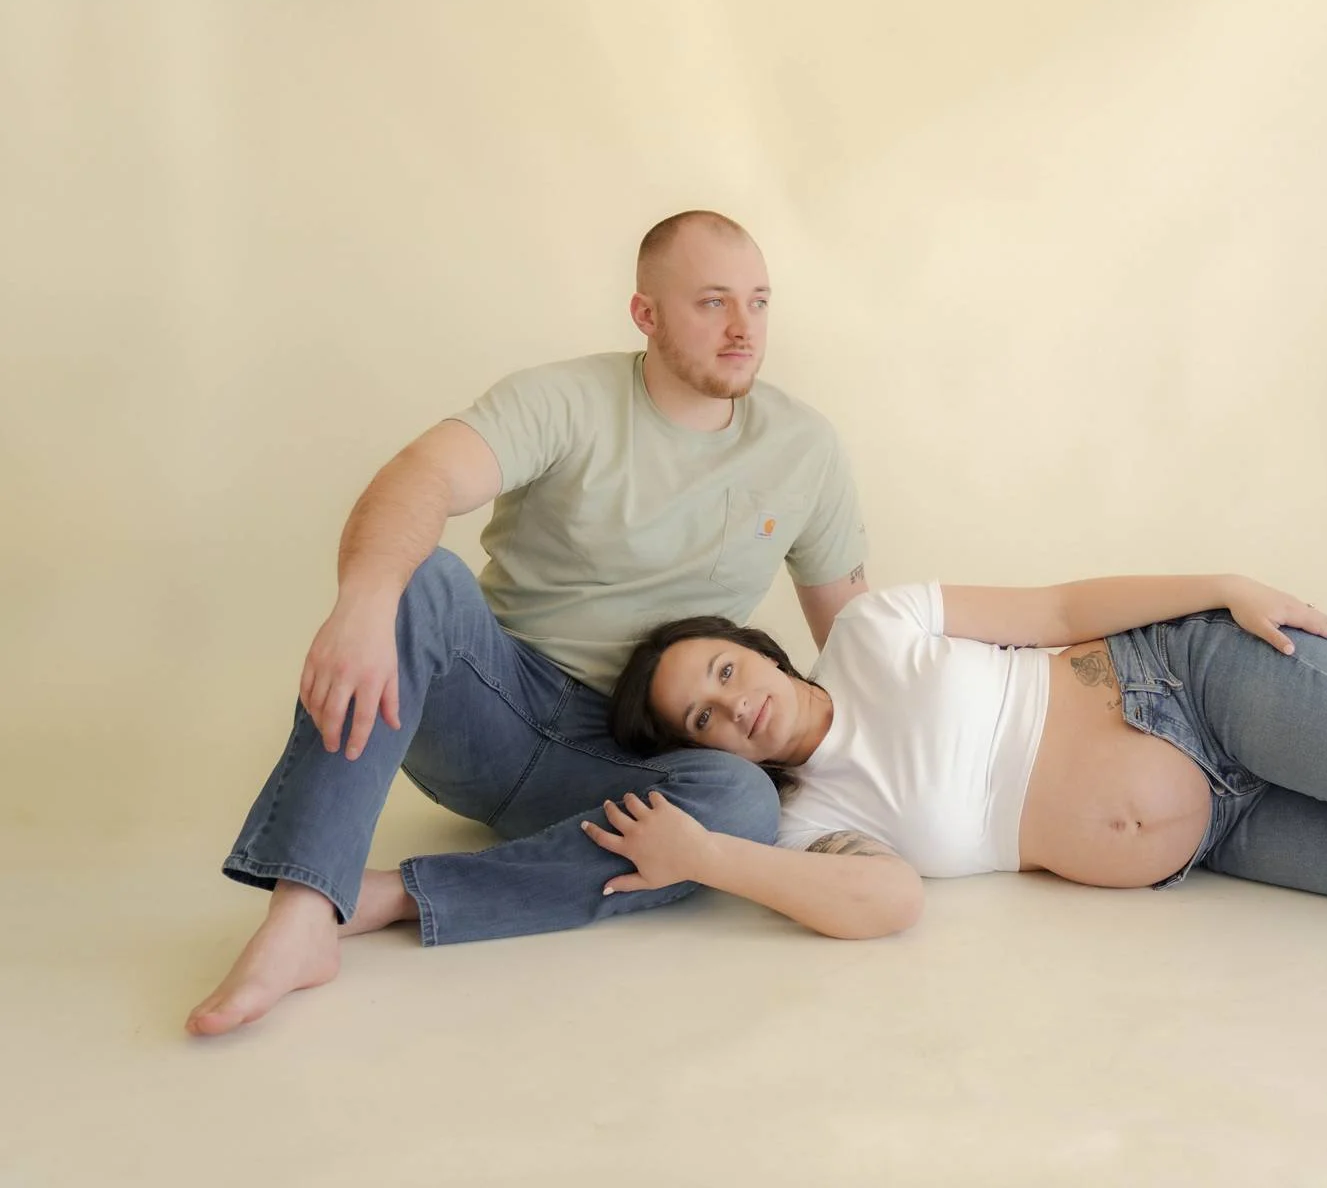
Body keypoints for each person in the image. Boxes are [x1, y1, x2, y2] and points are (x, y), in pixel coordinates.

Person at [186, 211, 870, 1035]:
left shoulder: (806, 449)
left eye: (758, 303)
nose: (741, 330)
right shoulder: (566, 399)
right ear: (645, 315)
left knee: (739, 802)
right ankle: (300, 913)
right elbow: (422, 475)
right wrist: (364, 603)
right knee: (422, 578)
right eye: (712, 303)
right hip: (494, 705)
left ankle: (387, 897)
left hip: (636, 753)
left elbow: (858, 641)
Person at [593, 576, 1327, 938]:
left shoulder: (873, 631)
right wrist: (708, 853)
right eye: (698, 719)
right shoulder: (807, 825)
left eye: (724, 673)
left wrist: (1218, 585)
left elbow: (1058, 606)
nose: (728, 709)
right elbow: (889, 902)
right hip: (1219, 837)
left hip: (1194, 686)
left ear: (756, 651)